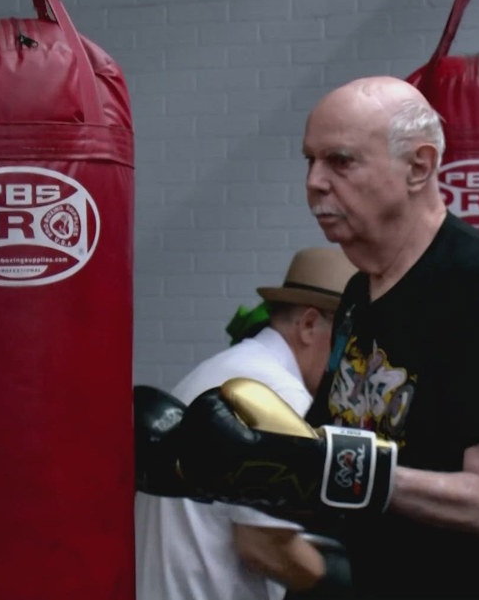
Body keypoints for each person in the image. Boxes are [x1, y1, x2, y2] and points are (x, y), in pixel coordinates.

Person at [299, 76, 479, 599]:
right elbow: (331, 447)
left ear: (419, 167)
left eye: (340, 161)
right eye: (309, 160)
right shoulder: (360, 291)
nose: (314, 182)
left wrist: (344, 471)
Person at [135, 246, 358, 600]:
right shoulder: (275, 397)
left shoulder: (226, 368)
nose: (354, 360)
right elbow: (264, 546)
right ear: (310, 325)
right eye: (352, 339)